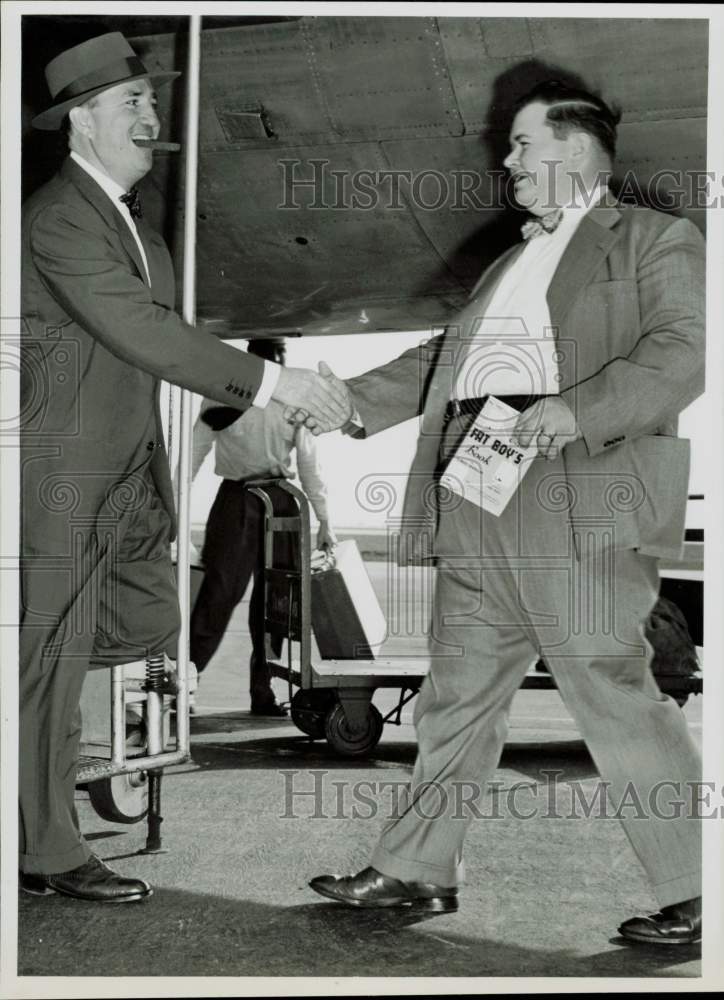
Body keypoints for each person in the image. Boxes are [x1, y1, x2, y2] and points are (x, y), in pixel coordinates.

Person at [307, 81, 704, 946]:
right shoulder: (514, 258)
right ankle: (417, 872)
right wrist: (343, 401)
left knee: (611, 689)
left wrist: (578, 410)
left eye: (523, 145)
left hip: (578, 488)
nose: (509, 161)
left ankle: (698, 890)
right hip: (480, 485)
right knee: (455, 698)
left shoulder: (656, 239)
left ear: (573, 150)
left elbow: (682, 352)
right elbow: (444, 360)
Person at [19, 32, 348, 903]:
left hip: (127, 474)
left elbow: (159, 346)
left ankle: (79, 773)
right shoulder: (58, 216)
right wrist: (278, 384)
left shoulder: (130, 218)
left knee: (144, 631)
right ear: (79, 121)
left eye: (150, 101)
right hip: (66, 476)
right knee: (50, 661)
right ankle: (45, 849)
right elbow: (147, 333)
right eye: (129, 103)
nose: (151, 116)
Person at [187, 337, 337, 716]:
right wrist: (324, 521)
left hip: (269, 503)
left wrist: (325, 521)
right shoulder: (228, 397)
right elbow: (193, 456)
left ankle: (260, 691)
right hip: (250, 501)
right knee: (223, 599)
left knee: (272, 604)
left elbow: (310, 466)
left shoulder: (225, 394)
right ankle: (187, 685)